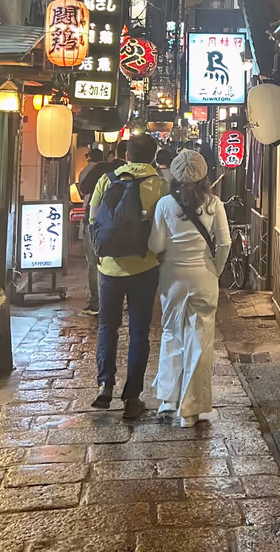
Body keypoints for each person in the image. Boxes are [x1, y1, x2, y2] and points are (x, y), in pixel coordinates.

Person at [89, 134, 169, 419]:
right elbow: (164, 228)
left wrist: (100, 253)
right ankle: (132, 397)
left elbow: (92, 219)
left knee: (107, 326)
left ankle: (105, 384)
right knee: (138, 332)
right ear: (153, 156)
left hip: (109, 268)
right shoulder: (160, 185)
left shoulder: (107, 180)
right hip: (144, 267)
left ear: (127, 154)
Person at [149, 150, 230, 427]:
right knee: (200, 339)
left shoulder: (164, 204)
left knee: (172, 333)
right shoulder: (214, 204)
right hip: (204, 276)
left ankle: (168, 400)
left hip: (172, 277)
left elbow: (155, 244)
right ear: (204, 176)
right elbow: (225, 243)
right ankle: (191, 411)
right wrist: (215, 270)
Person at [78, 148, 123, 316]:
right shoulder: (127, 169)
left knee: (94, 262)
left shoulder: (99, 169)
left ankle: (95, 301)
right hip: (119, 221)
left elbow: (84, 189)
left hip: (96, 221)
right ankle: (116, 300)